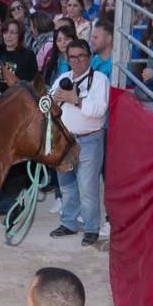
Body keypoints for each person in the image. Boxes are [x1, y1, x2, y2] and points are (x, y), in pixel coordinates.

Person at [50, 38, 109, 247]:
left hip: (89, 138)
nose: (77, 61)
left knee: (87, 187)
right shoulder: (63, 78)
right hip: (64, 138)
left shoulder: (99, 79)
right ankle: (68, 223)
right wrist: (56, 100)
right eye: (73, 57)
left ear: (89, 57)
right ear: (67, 59)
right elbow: (47, 105)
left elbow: (98, 111)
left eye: (81, 56)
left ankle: (91, 228)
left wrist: (76, 99)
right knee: (66, 185)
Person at [0, 18, 38, 99]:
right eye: (5, 32)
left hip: (15, 102)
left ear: (19, 35)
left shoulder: (28, 55)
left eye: (12, 33)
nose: (8, 36)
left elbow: (33, 83)